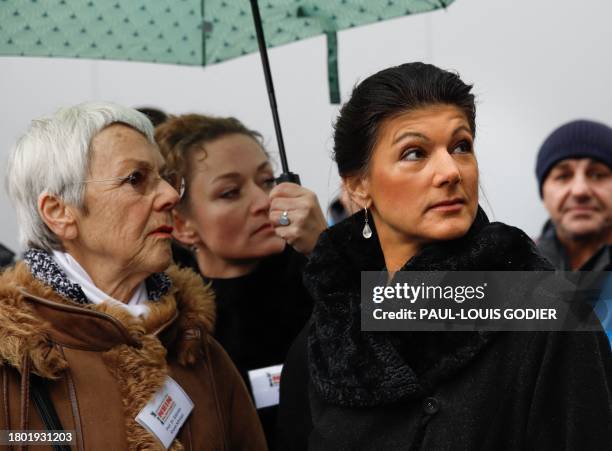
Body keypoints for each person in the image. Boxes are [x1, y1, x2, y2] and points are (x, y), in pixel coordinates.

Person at [277, 63, 612, 450]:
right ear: (358, 185)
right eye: (415, 153)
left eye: (461, 146)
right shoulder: (327, 339)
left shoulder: (550, 314)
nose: (450, 170)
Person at [0, 102, 266, 450]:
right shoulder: (12, 361)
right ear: (59, 211)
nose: (170, 196)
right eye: (136, 179)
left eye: (165, 177)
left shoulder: (198, 349)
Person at [155, 114, 326, 448]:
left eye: (267, 180)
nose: (264, 202)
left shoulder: (323, 275)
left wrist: (332, 252)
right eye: (230, 192)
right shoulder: (165, 322)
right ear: (181, 224)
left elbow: (443, 314)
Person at [535, 119, 612, 346]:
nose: (580, 190)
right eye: (563, 176)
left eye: (597, 174)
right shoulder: (512, 272)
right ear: (544, 192)